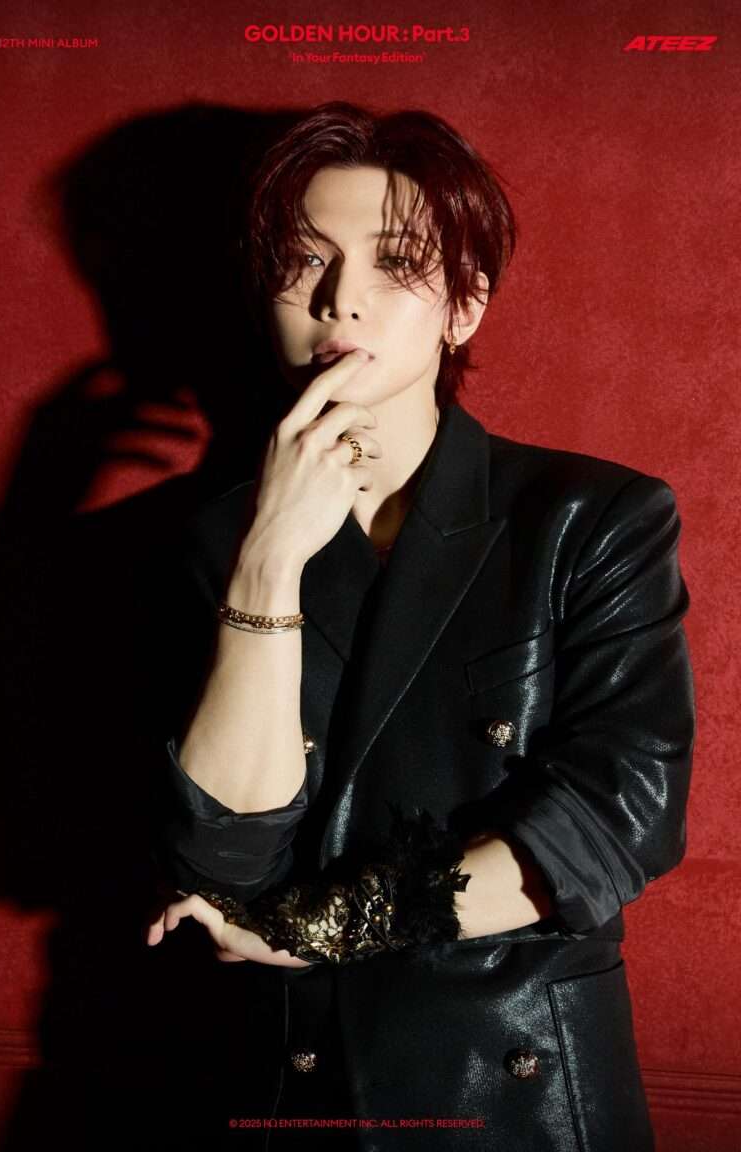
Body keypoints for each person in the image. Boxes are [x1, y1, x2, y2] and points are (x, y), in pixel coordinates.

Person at [146, 102, 695, 1152]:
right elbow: (222, 859)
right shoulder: (209, 541)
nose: (339, 298)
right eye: (302, 261)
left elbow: (620, 818)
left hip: (521, 1089)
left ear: (465, 307)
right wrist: (270, 557)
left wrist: (325, 925)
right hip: (295, 1077)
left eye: (395, 263)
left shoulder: (591, 519)